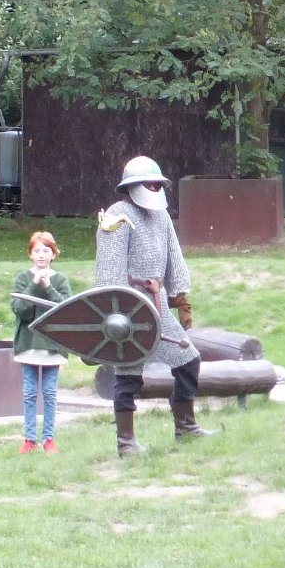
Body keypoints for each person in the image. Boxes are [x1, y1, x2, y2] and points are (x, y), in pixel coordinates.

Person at [95, 156, 212, 455]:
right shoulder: (117, 216)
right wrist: (116, 310)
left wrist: (181, 300)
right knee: (128, 373)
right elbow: (110, 272)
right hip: (128, 308)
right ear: (131, 186)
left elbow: (174, 258)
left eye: (157, 184)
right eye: (148, 184)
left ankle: (185, 426)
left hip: (157, 306)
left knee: (188, 360)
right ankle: (126, 443)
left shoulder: (161, 216)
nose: (154, 189)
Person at [10, 231, 73, 454]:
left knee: (49, 393)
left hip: (52, 347)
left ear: (53, 254)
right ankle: (29, 439)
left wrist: (48, 287)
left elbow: (66, 309)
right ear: (30, 254)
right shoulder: (22, 279)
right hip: (28, 346)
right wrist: (35, 285)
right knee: (29, 393)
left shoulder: (60, 280)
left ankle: (48, 439)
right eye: (37, 251)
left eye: (46, 250)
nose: (41, 255)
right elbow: (20, 310)